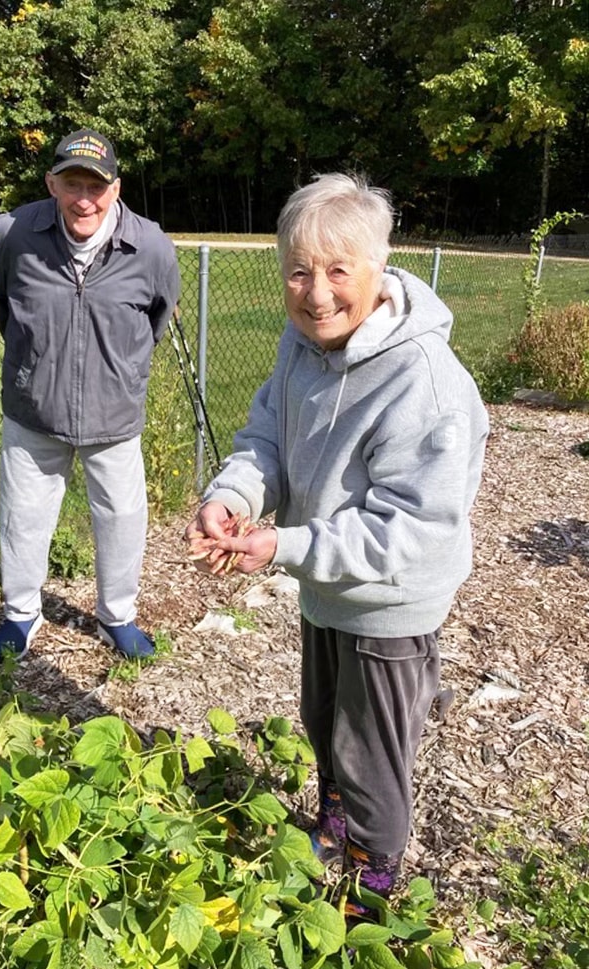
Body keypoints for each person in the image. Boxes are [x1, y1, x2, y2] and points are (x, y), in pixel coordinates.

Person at [184, 173, 489, 920]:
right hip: (326, 583)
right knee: (323, 719)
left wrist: (284, 544)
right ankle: (338, 823)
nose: (316, 292)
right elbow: (265, 438)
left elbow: (410, 527)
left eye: (337, 269)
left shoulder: (424, 381)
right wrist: (233, 497)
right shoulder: (301, 348)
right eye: (298, 269)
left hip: (390, 600)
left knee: (374, 752)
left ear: (379, 268)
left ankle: (374, 884)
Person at [0, 128, 180, 662]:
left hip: (114, 415)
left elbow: (159, 316)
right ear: (52, 183)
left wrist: (115, 372)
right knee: (23, 517)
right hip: (33, 412)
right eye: (72, 183)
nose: (84, 199)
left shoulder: (151, 246)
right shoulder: (13, 234)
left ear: (115, 189)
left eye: (96, 186)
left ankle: (117, 616)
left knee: (121, 519)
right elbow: (7, 309)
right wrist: (38, 368)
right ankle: (21, 614)